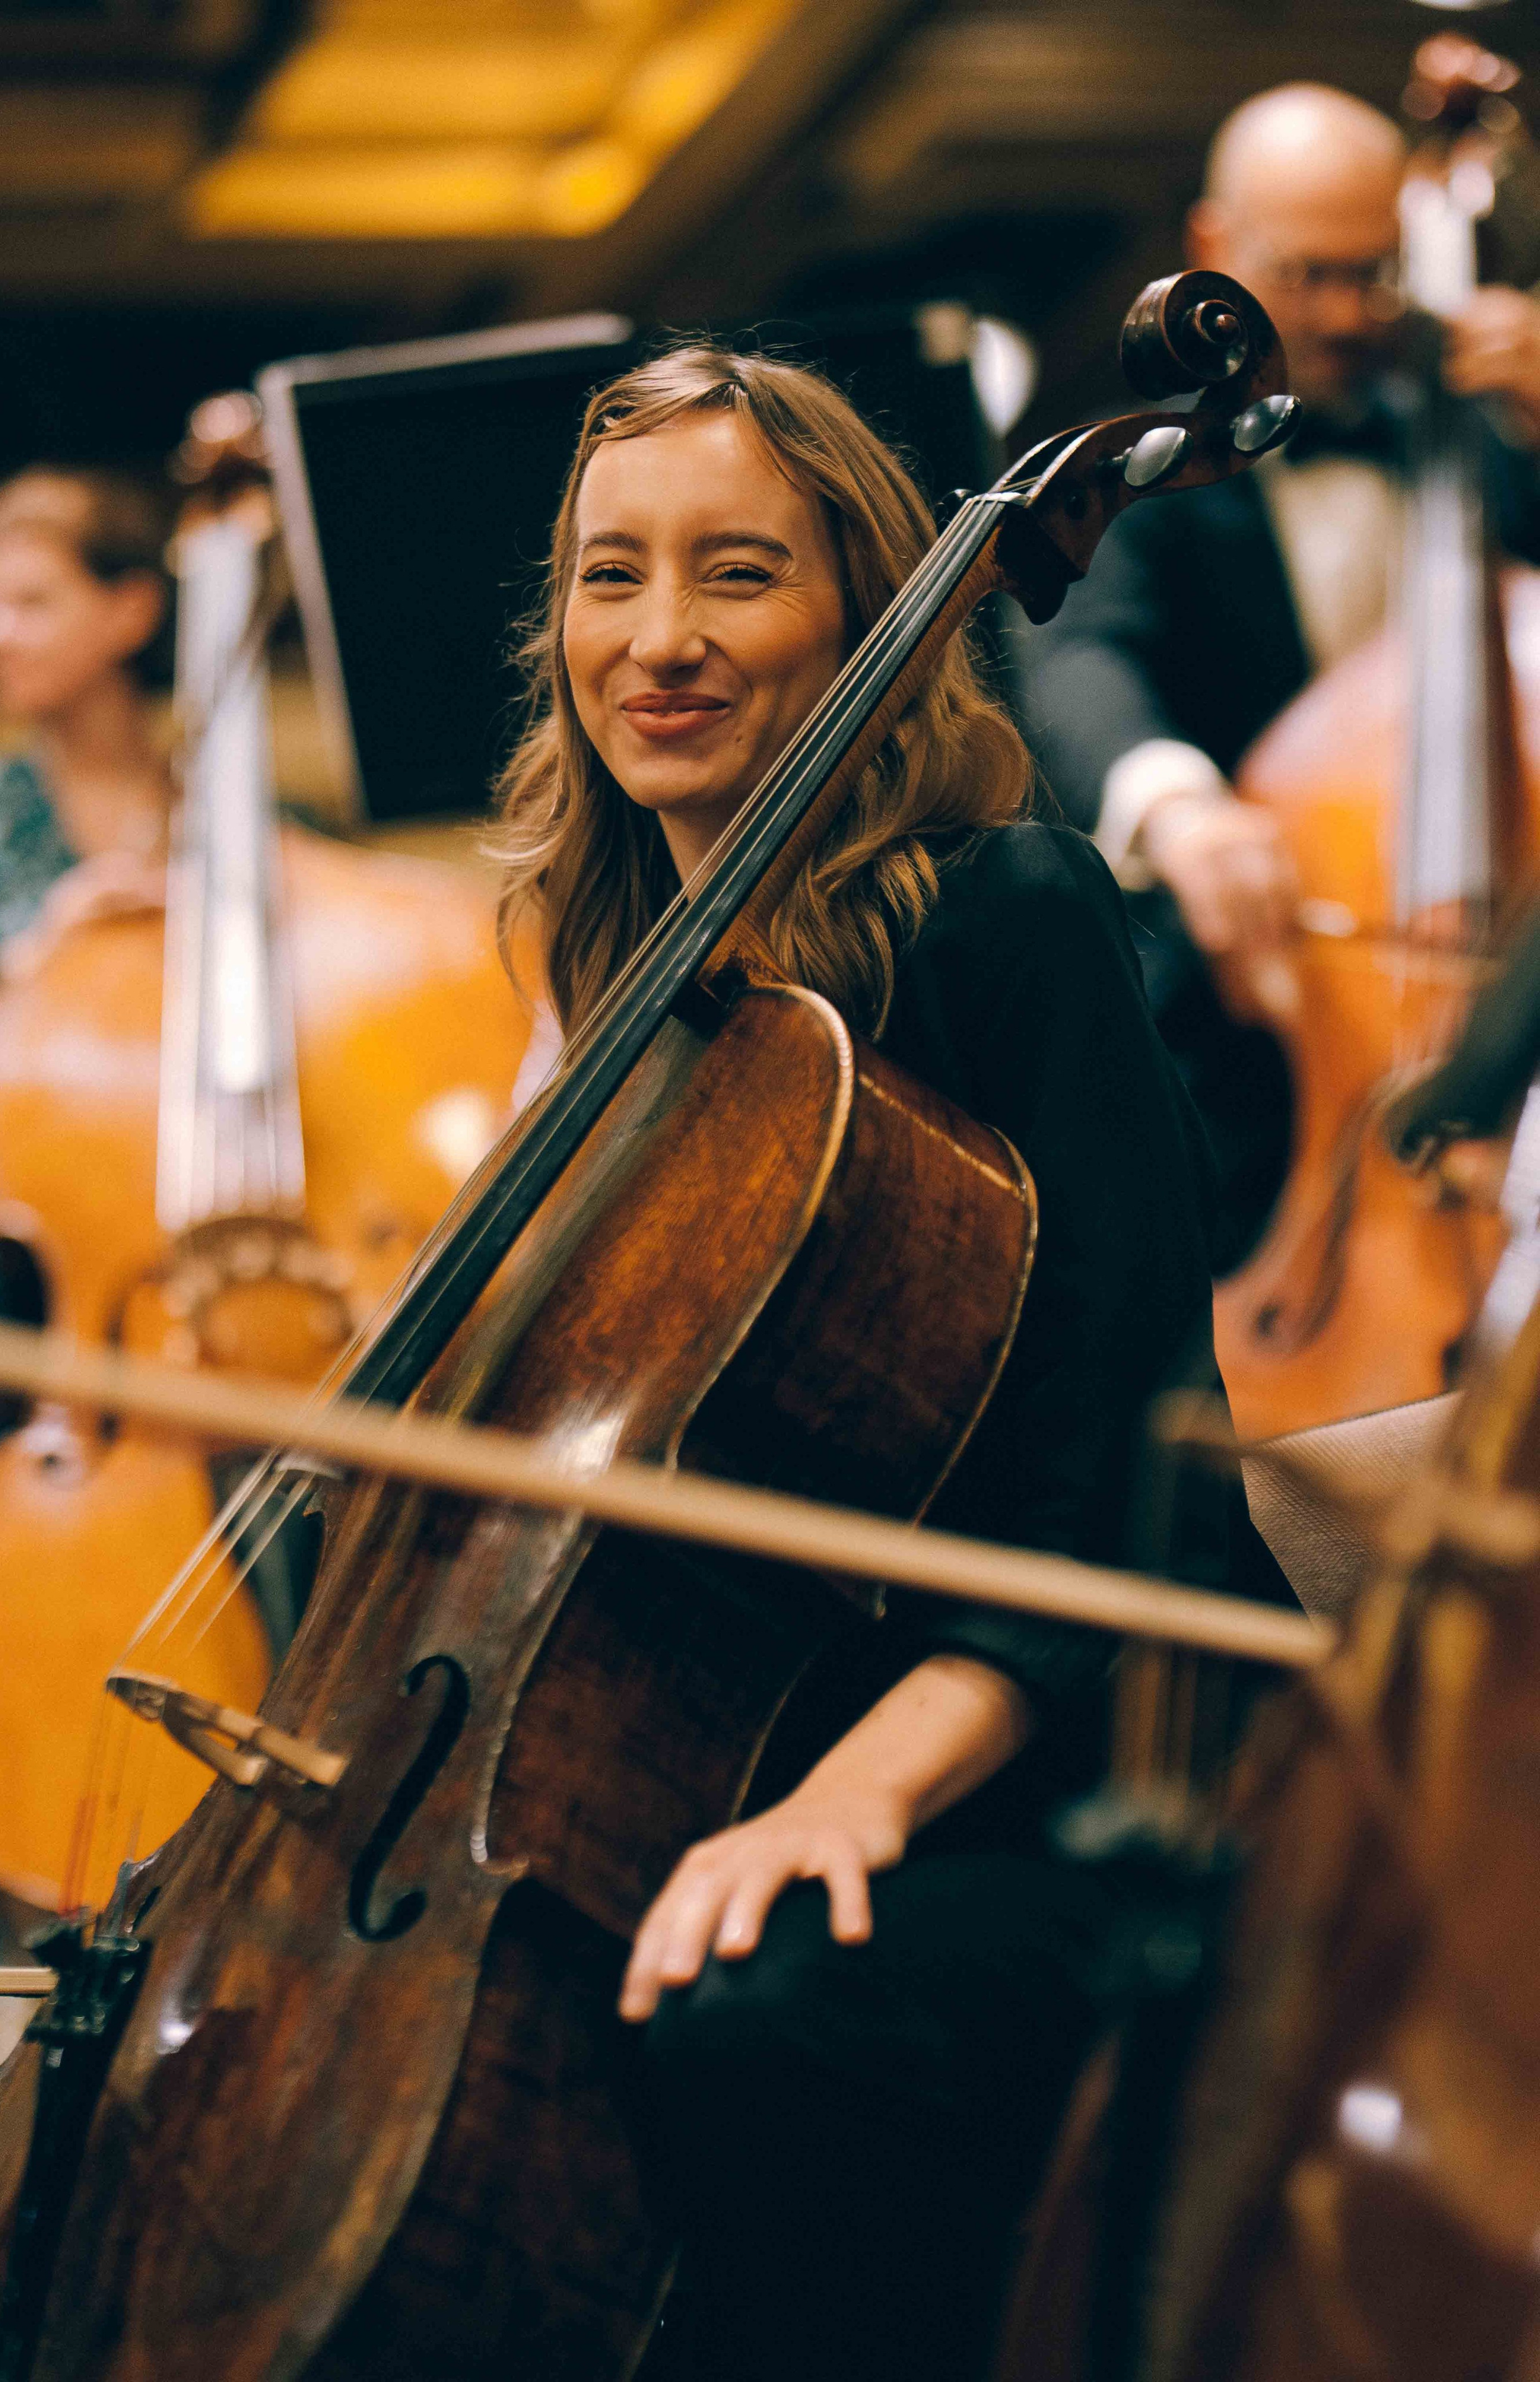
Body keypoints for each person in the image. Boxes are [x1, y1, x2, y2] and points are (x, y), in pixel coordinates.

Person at [482, 346, 1297, 2382]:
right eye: (610, 578)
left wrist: (838, 1807)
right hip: (753, 1751)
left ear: (865, 608)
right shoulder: (611, 992)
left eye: (736, 574)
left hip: (1093, 1787)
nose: (658, 641)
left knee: (750, 2019)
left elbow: (1110, 1488)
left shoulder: (1006, 919)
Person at [1018, 79, 1540, 1269]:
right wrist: (1179, 804)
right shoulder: (1148, 470)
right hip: (1252, 1061)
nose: (1353, 314)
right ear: (1215, 250)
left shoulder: (1488, 455)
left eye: (1378, 271)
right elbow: (1079, 649)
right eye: (1310, 275)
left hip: (1507, 1042)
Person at [0, 467, 173, 1442]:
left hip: (174, 1204)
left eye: (30, 602)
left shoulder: (234, 821)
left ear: (130, 609)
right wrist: (47, 950)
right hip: (3, 1219)